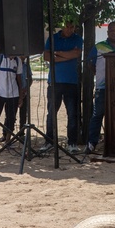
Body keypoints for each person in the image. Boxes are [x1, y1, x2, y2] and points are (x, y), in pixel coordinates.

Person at [42, 19, 83, 152]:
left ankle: (72, 143)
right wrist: (68, 55)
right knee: (52, 113)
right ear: (63, 26)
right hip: (55, 81)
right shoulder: (53, 38)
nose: (70, 29)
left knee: (72, 114)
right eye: (68, 27)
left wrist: (57, 53)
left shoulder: (77, 38)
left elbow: (76, 54)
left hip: (72, 81)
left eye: (72, 27)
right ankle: (49, 141)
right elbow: (47, 56)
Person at [86, 21, 115, 153]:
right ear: (108, 32)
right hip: (102, 88)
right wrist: (99, 75)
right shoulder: (99, 47)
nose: (114, 33)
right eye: (112, 30)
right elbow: (90, 63)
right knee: (98, 115)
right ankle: (92, 143)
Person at [0, 53, 23, 147]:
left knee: (11, 118)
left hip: (13, 94)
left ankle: (8, 141)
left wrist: (20, 96)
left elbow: (19, 78)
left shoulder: (17, 60)